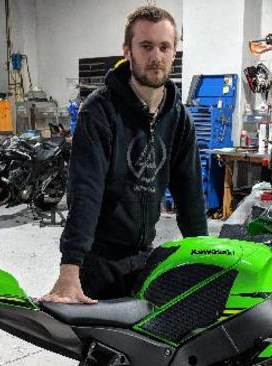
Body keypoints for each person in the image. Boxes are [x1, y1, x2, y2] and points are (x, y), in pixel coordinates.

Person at [42, 5, 208, 304]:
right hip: (98, 260)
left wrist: (205, 257)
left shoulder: (179, 118)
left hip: (145, 257)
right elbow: (85, 191)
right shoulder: (100, 110)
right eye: (146, 46)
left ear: (174, 52)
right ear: (127, 51)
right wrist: (70, 267)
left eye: (164, 47)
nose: (156, 56)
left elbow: (190, 194)